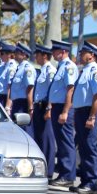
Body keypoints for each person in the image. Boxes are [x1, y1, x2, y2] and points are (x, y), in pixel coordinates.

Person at [71, 42, 97, 194]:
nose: (80, 54)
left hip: (89, 112)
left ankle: (92, 183)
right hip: (80, 111)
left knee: (90, 147)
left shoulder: (95, 71)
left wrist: (92, 116)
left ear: (91, 55)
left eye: (83, 52)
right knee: (83, 147)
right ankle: (85, 181)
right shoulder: (84, 70)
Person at [48, 39, 79, 188]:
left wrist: (65, 111)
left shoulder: (69, 67)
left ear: (64, 52)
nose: (53, 53)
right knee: (61, 142)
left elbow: (70, 90)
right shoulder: (60, 67)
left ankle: (67, 175)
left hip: (63, 107)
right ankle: (63, 173)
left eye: (56, 51)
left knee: (66, 142)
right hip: (56, 106)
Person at [32, 44, 57, 181]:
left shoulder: (50, 70)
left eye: (38, 55)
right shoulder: (42, 70)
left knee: (47, 140)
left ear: (45, 56)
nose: (36, 57)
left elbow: (51, 91)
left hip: (44, 106)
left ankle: (49, 171)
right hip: (38, 106)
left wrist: (49, 108)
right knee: (39, 138)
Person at [7, 43, 36, 134]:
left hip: (23, 104)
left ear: (23, 55)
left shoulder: (27, 68)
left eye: (17, 52)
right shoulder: (19, 68)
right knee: (17, 131)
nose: (14, 54)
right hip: (17, 103)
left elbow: (30, 88)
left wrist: (30, 107)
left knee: (24, 131)